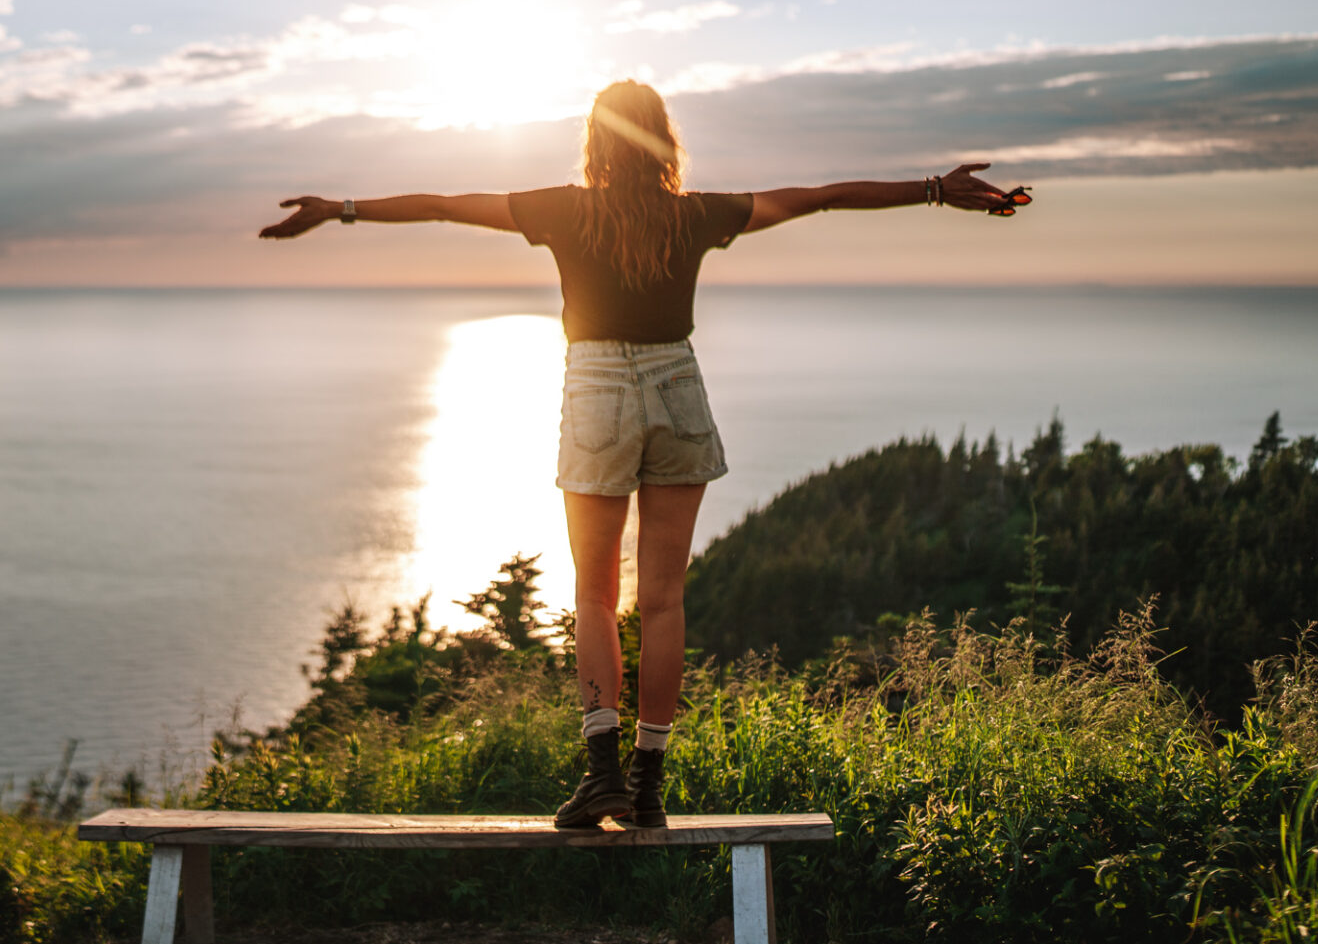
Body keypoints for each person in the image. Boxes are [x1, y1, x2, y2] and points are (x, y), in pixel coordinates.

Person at [259, 79, 1018, 829]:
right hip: (678, 386)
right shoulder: (696, 216)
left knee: (593, 594)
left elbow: (447, 205)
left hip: (597, 392)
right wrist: (931, 189)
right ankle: (647, 784)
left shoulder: (562, 208)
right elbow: (817, 195)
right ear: (663, 140)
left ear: (595, 141)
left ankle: (601, 777)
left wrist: (342, 210)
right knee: (663, 600)